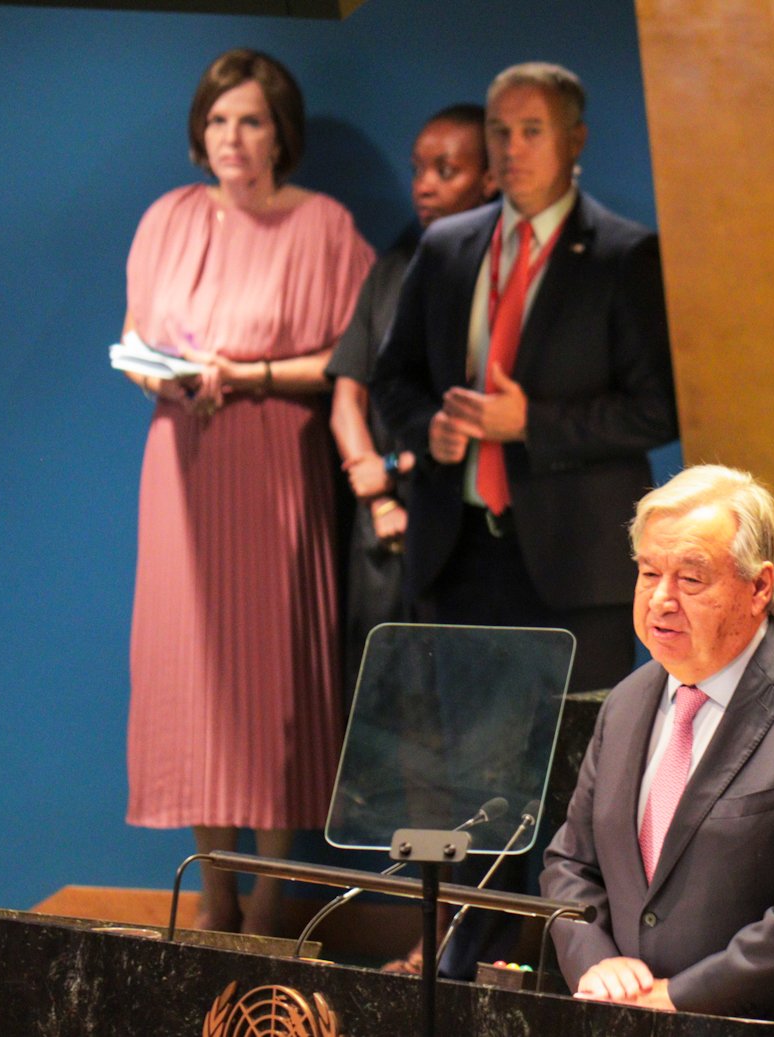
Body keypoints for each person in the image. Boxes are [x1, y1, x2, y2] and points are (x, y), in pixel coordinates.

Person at [120, 48, 373, 936]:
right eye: (219, 119)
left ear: (281, 133)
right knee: (192, 678)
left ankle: (268, 901)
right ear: (201, 131)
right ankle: (215, 890)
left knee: (274, 685)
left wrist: (253, 371)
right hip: (183, 469)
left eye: (251, 120)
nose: (233, 137)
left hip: (274, 470)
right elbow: (133, 338)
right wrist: (161, 376)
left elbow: (353, 354)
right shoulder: (166, 218)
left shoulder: (326, 227)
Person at [540, 465, 774, 1023]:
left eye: (690, 580)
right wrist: (595, 961)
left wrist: (684, 996)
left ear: (759, 587)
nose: (660, 599)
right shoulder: (627, 702)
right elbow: (571, 863)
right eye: (648, 573)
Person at [371, 62, 678, 696]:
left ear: (576, 139)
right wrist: (431, 429)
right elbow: (392, 376)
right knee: (471, 776)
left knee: (573, 772)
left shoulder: (624, 256)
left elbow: (656, 410)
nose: (512, 149)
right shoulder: (446, 247)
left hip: (574, 567)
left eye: (532, 130)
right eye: (499, 130)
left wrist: (530, 424)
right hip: (457, 557)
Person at [327, 104, 496, 697]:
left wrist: (397, 470)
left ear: (490, 177)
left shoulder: (498, 276)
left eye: (445, 170)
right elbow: (348, 391)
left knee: (468, 700)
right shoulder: (393, 265)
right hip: (383, 523)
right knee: (385, 701)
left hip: (453, 515)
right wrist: (373, 489)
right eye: (419, 168)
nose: (423, 184)